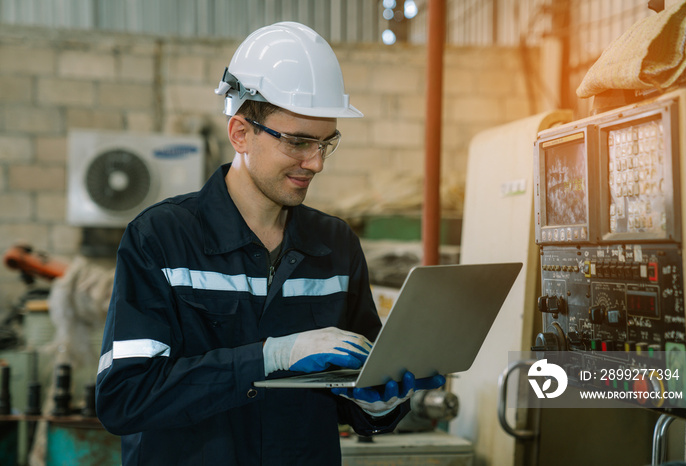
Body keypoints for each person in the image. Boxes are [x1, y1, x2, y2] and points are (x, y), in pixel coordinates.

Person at [95, 22, 444, 465]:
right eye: (298, 142)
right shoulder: (161, 240)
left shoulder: (335, 246)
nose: (315, 162)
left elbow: (354, 390)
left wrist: (379, 405)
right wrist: (270, 356)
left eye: (325, 142)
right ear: (240, 133)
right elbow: (126, 397)